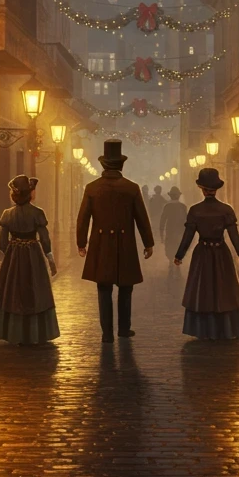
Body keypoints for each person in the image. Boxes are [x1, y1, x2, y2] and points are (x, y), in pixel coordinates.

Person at [76, 139, 155, 342]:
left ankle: (107, 334)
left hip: (100, 245)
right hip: (125, 244)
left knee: (103, 288)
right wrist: (148, 243)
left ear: (103, 164)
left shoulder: (92, 188)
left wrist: (81, 242)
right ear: (121, 165)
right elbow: (141, 218)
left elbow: (83, 217)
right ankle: (123, 329)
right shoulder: (131, 188)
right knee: (126, 288)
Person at [173, 167, 239, 340]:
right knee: (225, 289)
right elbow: (233, 235)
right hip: (221, 252)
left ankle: (205, 329)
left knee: (203, 289)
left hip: (202, 254)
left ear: (201, 188)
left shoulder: (195, 210)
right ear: (216, 188)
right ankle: (226, 329)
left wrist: (179, 255)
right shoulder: (226, 210)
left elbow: (188, 236)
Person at [0, 174, 60, 346]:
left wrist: (7, 255)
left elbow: (1, 240)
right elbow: (44, 238)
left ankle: (15, 332)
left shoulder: (7, 214)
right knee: (35, 290)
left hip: (13, 257)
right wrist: (50, 258)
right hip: (33, 255)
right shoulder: (37, 213)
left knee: (13, 292)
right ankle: (34, 332)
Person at [158, 186, 187, 260]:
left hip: (170, 231)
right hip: (180, 232)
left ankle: (171, 262)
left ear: (170, 196)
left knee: (169, 249)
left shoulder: (167, 206)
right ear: (179, 196)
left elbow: (162, 221)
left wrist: (161, 235)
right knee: (178, 247)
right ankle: (177, 262)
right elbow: (186, 221)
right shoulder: (183, 207)